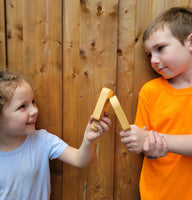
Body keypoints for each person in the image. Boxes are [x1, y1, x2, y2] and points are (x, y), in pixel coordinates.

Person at [0, 71, 111, 200]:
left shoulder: (42, 140)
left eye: (33, 102)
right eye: (22, 106)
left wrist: (88, 139)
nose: (34, 110)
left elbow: (80, 160)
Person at [119, 7, 192, 200]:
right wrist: (147, 147)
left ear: (190, 42)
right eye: (149, 55)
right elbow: (146, 145)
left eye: (160, 48)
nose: (154, 60)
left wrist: (162, 142)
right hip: (157, 193)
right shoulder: (150, 92)